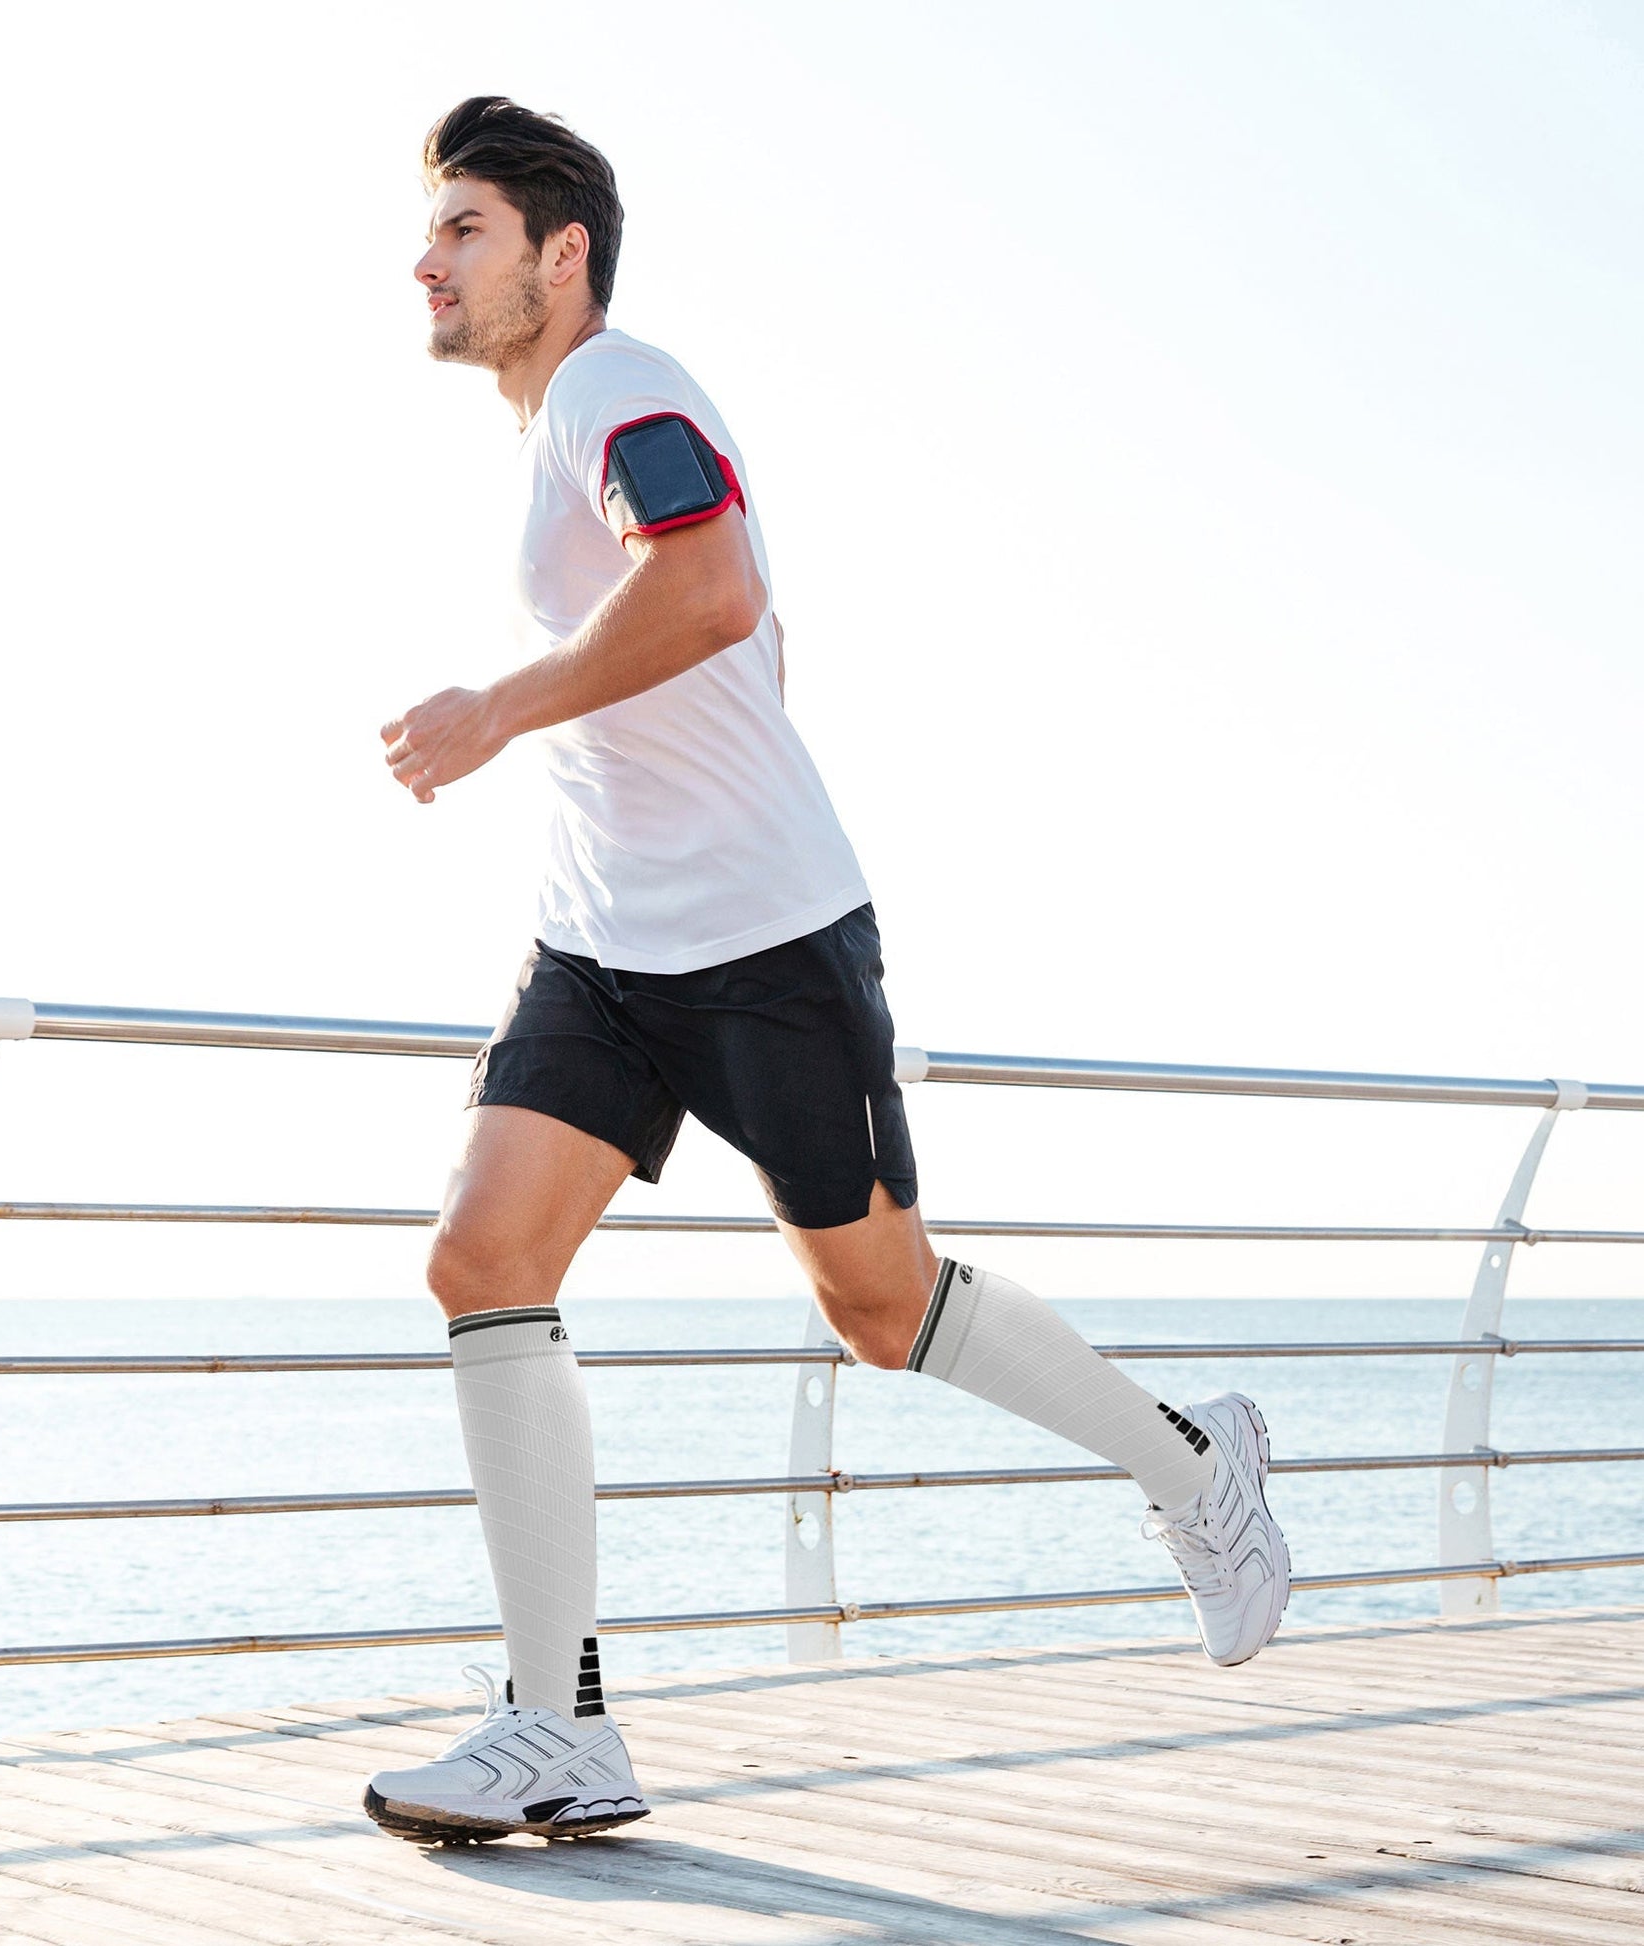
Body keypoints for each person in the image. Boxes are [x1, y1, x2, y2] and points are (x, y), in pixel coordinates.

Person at [364, 96, 1289, 1846]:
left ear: (561, 257)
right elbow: (753, 630)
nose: (428, 259)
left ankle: (1195, 1464)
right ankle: (557, 1722)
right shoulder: (555, 430)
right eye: (430, 232)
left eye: (466, 227)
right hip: (599, 946)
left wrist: (498, 710)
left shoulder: (618, 387)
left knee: (880, 1307)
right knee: (481, 1255)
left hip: (764, 944)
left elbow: (707, 587)